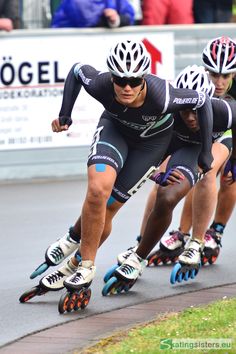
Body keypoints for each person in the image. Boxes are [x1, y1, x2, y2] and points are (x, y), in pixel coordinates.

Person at [32, 39, 213, 298]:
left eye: (135, 82)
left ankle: (74, 251)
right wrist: (65, 114)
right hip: (115, 131)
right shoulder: (100, 84)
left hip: (150, 146)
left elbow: (202, 101)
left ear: (144, 79)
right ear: (112, 77)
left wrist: (206, 151)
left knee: (109, 207)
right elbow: (76, 70)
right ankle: (85, 264)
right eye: (120, 80)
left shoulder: (163, 95)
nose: (127, 87)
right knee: (97, 190)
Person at [147, 36, 236, 266]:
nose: (218, 81)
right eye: (213, 74)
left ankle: (214, 232)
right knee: (177, 175)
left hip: (227, 130)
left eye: (225, 76)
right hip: (202, 131)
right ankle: (176, 234)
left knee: (223, 175)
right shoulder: (196, 85)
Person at [51, 0, 135, 28]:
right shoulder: (75, 2)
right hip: (65, 47)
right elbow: (87, 21)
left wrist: (117, 19)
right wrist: (110, 20)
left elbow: (129, 15)